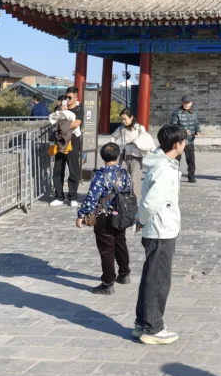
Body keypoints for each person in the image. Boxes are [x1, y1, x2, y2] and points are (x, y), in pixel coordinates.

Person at [134, 124, 186, 345]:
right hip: (161, 229)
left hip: (157, 227)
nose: (185, 144)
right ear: (176, 145)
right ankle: (153, 327)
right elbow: (151, 202)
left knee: (150, 276)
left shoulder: (161, 162)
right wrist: (141, 219)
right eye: (184, 141)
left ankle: (142, 322)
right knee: (159, 279)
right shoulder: (164, 169)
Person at [75, 142, 133, 294]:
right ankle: (124, 274)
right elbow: (129, 192)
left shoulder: (100, 175)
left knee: (107, 249)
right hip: (121, 214)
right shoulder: (125, 173)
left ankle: (108, 283)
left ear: (103, 156)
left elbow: (92, 197)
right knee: (120, 243)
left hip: (104, 216)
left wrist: (81, 214)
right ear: (117, 155)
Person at [49, 92, 82, 207]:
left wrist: (62, 124)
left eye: (70, 97)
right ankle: (59, 196)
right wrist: (64, 121)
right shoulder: (59, 109)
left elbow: (76, 124)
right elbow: (54, 120)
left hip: (73, 143)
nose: (67, 99)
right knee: (58, 170)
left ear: (75, 98)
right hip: (59, 142)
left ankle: (73, 197)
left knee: (73, 170)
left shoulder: (79, 110)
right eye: (66, 97)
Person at [109, 108, 155, 187]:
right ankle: (122, 195)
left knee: (134, 181)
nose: (123, 121)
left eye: (125, 119)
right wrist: (112, 146)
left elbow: (146, 139)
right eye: (122, 119)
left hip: (136, 157)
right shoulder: (121, 129)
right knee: (121, 179)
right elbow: (113, 137)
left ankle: (134, 195)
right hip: (124, 157)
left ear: (131, 117)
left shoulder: (139, 128)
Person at [170, 95, 201, 183]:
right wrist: (183, 131)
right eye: (185, 102)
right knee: (176, 159)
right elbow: (173, 125)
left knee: (191, 159)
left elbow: (196, 123)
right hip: (179, 140)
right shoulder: (177, 112)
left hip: (190, 140)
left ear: (191, 103)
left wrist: (198, 130)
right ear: (182, 102)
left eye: (188, 103)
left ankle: (191, 176)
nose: (186, 104)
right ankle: (175, 176)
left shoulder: (194, 113)